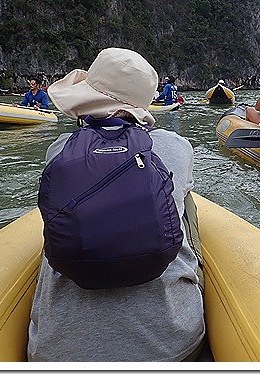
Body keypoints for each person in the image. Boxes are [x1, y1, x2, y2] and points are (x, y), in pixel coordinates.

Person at [27, 48, 205, 362]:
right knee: (185, 201)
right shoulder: (176, 147)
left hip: (59, 352)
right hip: (171, 345)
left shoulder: (58, 150)